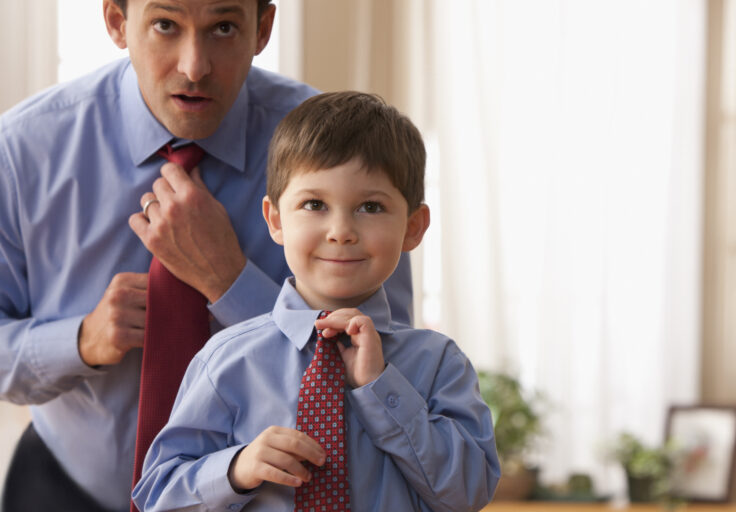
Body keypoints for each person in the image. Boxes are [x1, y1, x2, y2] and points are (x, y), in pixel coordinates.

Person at [0, 2, 413, 511]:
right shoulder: (21, 150)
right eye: (165, 25)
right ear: (116, 23)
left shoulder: (342, 148)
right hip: (64, 489)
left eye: (223, 27)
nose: (195, 66)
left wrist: (231, 282)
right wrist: (82, 340)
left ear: (261, 29)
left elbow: (390, 371)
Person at [132, 91, 500, 512]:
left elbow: (468, 493)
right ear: (275, 220)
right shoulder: (225, 361)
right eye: (314, 204)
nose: (340, 230)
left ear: (413, 228)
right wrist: (235, 469)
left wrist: (382, 389)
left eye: (370, 206)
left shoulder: (439, 364)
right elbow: (157, 496)